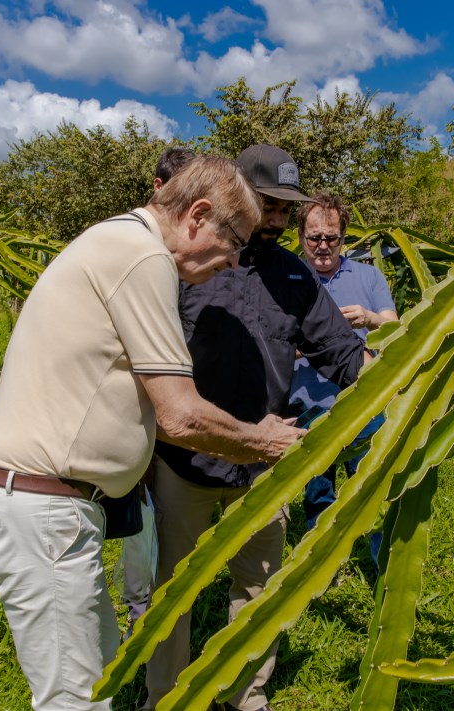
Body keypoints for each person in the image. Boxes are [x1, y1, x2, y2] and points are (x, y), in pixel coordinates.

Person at [0, 155, 304, 711]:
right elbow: (181, 415)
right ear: (197, 215)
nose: (238, 260)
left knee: (96, 683)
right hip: (41, 509)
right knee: (77, 700)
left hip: (51, 509)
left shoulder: (121, 243)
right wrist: (265, 441)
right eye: (236, 240)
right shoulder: (142, 256)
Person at [146, 146, 369, 711]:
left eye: (283, 209)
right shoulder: (186, 265)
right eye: (266, 204)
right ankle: (164, 698)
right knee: (173, 592)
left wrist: (406, 374)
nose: (274, 220)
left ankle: (247, 695)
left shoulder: (294, 273)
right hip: (185, 459)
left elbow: (341, 354)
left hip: (265, 463)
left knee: (258, 588)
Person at [288, 193, 398, 542]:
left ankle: (382, 566)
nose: (322, 246)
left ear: (344, 236)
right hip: (308, 407)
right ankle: (322, 565)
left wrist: (368, 318)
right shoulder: (287, 280)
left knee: (372, 490)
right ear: (302, 235)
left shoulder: (369, 278)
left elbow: (398, 331)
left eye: (331, 238)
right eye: (314, 237)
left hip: (364, 404)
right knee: (317, 495)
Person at [119, 145, 196, 638]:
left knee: (158, 528)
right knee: (138, 524)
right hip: (141, 416)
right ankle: (137, 614)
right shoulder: (139, 253)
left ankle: (152, 614)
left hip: (177, 416)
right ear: (158, 188)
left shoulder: (186, 264)